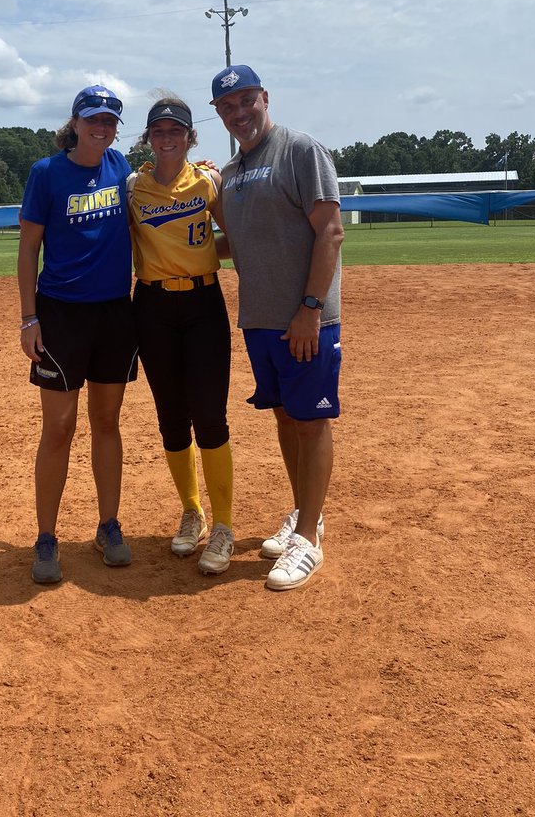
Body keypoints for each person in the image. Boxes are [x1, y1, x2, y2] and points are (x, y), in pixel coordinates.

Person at [211, 64, 344, 592]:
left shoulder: (300, 151)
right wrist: (165, 246)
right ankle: (303, 514)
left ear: (264, 97)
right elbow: (236, 243)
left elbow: (330, 232)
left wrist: (310, 308)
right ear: (219, 114)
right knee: (286, 418)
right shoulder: (232, 171)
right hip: (260, 319)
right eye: (228, 106)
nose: (239, 112)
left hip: (305, 318)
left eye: (247, 100)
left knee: (311, 422)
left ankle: (308, 538)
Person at [18, 85, 139, 584]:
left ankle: (108, 525)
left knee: (107, 422)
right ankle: (46, 537)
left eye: (109, 120)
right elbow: (29, 249)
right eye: (93, 119)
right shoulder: (47, 173)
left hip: (113, 312)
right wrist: (29, 318)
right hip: (61, 314)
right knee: (59, 428)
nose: (101, 127)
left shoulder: (122, 167)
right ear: (75, 122)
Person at [127, 93, 235, 575]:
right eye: (158, 131)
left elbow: (235, 237)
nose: (166, 138)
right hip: (152, 307)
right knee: (171, 416)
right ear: (148, 138)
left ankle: (224, 525)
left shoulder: (209, 181)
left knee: (210, 416)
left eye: (176, 131)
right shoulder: (134, 188)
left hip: (202, 304)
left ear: (190, 137)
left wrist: (204, 254)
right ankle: (192, 512)